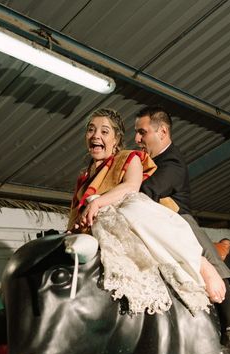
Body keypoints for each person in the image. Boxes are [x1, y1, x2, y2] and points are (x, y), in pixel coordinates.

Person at [69, 108, 212, 316]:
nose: (96, 135)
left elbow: (132, 187)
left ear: (116, 139)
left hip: (132, 224)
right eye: (91, 130)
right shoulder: (84, 178)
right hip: (95, 233)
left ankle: (205, 269)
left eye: (104, 131)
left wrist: (97, 203)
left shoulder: (129, 158)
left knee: (137, 215)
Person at [134, 105, 230, 341]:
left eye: (142, 132)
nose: (137, 139)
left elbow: (146, 191)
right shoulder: (144, 160)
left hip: (177, 219)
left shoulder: (172, 163)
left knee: (201, 246)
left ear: (162, 132)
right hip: (152, 219)